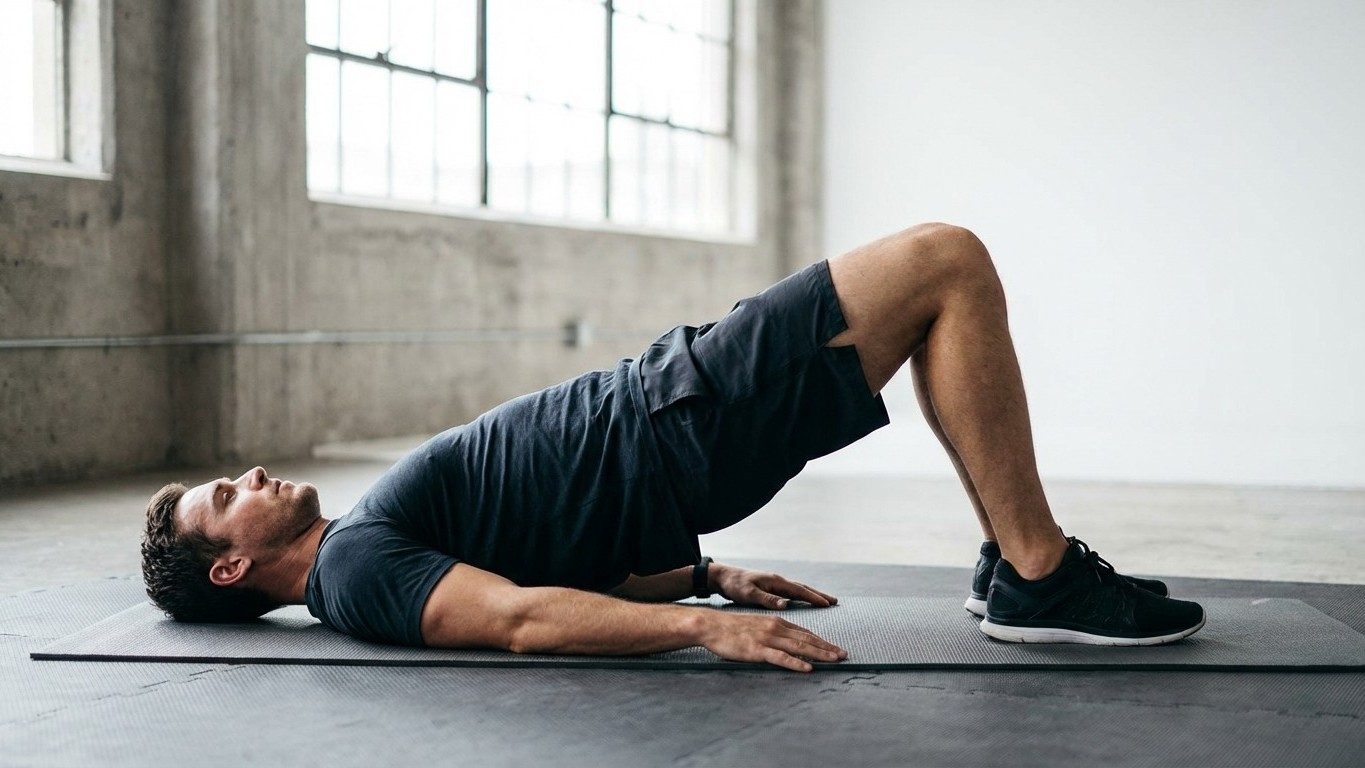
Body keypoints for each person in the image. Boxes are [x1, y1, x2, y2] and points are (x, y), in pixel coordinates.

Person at [141, 223, 1205, 672]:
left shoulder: (361, 553)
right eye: (223, 498)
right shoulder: (356, 570)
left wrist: (703, 573)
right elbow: (518, 620)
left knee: (937, 292)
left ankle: (1015, 566)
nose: (248, 474)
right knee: (947, 261)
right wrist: (698, 630)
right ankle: (1036, 571)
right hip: (672, 422)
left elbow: (533, 558)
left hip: (669, 418)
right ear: (230, 565)